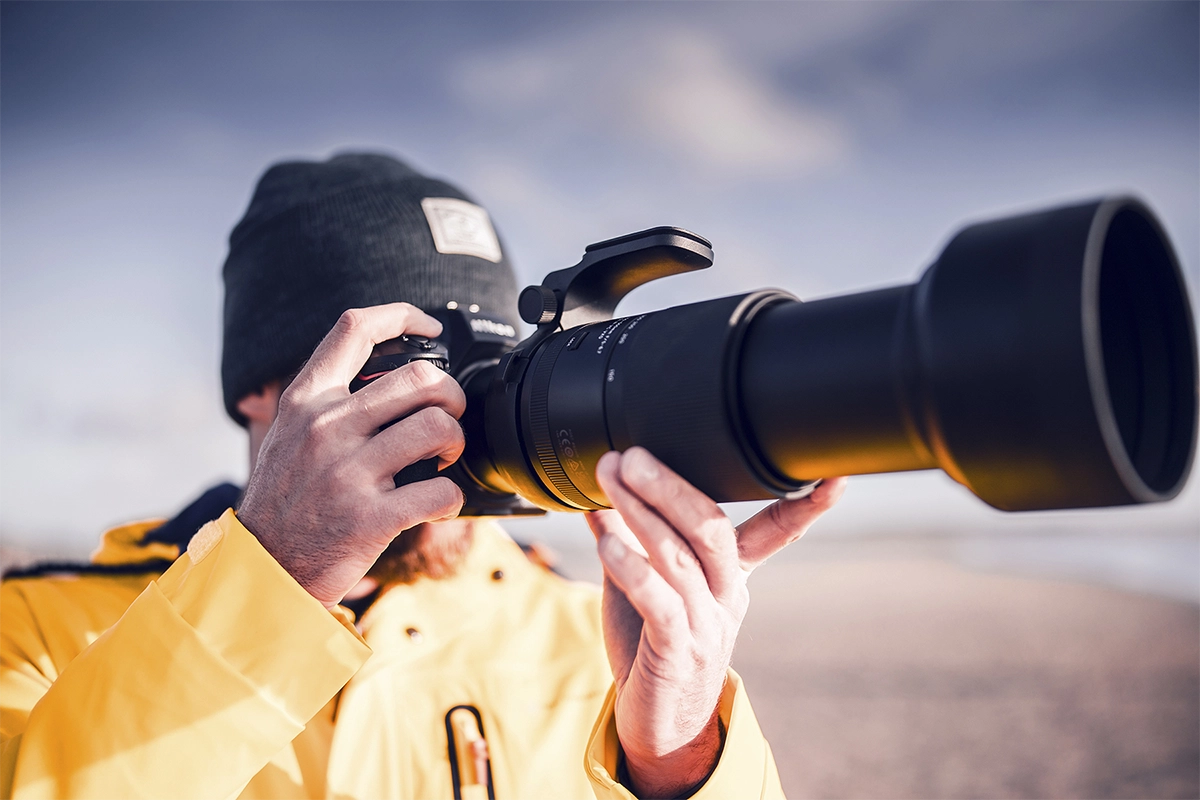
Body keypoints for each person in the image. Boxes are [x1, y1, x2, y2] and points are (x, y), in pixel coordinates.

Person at [0, 153, 845, 799]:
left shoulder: (592, 637)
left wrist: (674, 759)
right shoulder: (37, 630)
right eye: (411, 365)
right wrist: (271, 579)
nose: (456, 417)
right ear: (263, 389)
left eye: (492, 369)